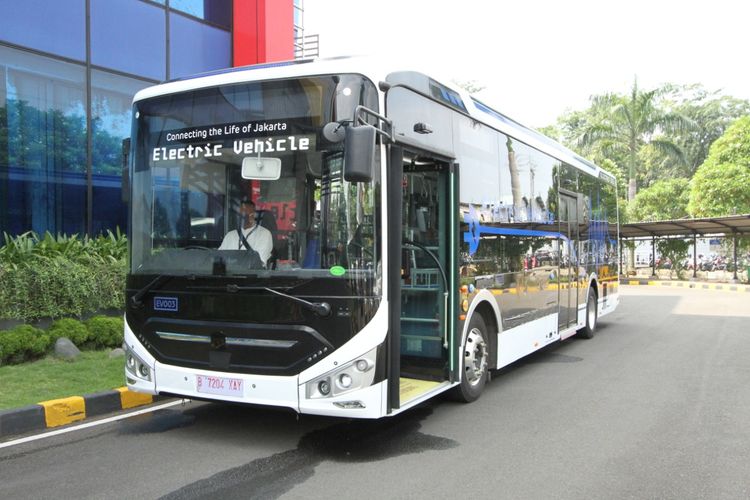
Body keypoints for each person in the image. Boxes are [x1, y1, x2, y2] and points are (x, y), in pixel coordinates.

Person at [218, 197, 273, 267]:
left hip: (252, 276)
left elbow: (258, 263)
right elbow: (219, 259)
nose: (240, 217)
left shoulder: (264, 234)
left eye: (244, 214)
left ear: (253, 215)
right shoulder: (230, 235)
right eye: (239, 214)